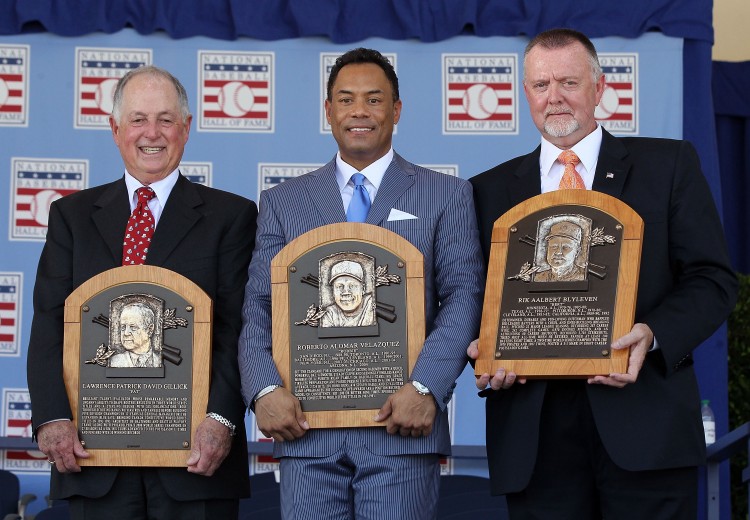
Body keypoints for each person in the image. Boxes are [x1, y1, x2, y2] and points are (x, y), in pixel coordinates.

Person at [469, 28, 738, 519]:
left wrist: (654, 334)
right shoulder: (486, 191)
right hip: (535, 439)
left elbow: (712, 278)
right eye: (541, 85)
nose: (554, 98)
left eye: (568, 82)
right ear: (524, 92)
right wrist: (482, 352)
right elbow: (473, 298)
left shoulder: (669, 165)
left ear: (600, 87)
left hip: (645, 426)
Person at [239, 48, 484, 520]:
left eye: (374, 100)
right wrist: (264, 390)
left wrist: (427, 386)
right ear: (328, 110)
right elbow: (258, 305)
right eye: (346, 99)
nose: (359, 112)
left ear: (396, 110)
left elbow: (463, 295)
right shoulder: (283, 202)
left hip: (401, 430)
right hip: (306, 432)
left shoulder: (446, 194)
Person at [26, 65, 257, 520]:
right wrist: (52, 418)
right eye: (137, 119)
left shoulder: (232, 216)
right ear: (115, 129)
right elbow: (50, 322)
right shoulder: (71, 217)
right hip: (94, 459)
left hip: (194, 460)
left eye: (166, 119)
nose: (152, 133)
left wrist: (223, 420)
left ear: (186, 128)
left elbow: (238, 329)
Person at [321, 259, 375, 328]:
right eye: (339, 286)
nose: (346, 292)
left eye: (352, 286)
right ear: (333, 291)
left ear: (363, 289)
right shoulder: (329, 314)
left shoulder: (371, 306)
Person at [110, 302, 161, 368]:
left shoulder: (159, 361)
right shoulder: (114, 362)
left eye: (133, 327)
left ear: (149, 330)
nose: (126, 333)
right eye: (123, 327)